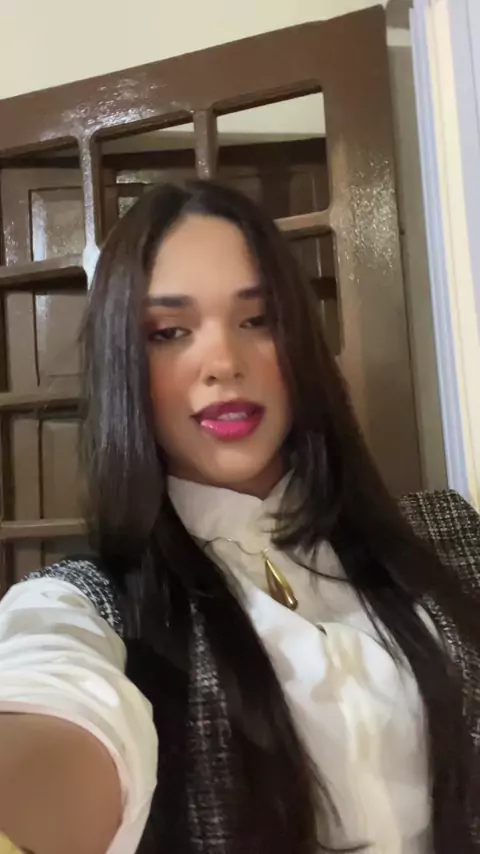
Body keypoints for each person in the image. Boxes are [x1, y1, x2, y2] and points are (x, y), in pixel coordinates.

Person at [0, 181, 478, 854]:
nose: (224, 363)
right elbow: (52, 709)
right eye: (168, 333)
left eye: (258, 320)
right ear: (123, 365)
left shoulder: (447, 535)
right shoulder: (88, 605)